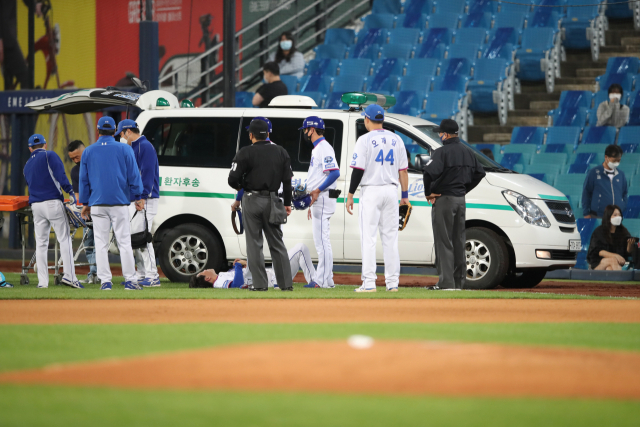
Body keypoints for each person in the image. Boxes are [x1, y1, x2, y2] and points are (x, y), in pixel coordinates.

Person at [346, 104, 410, 292]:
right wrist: (404, 196)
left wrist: (350, 195)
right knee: (390, 238)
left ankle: (369, 283)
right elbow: (403, 170)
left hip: (371, 191)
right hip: (391, 191)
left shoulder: (364, 140)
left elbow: (358, 170)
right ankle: (392, 284)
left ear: (367, 119)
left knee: (369, 238)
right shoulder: (397, 139)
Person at [79, 117, 144, 291]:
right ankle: (130, 281)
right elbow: (134, 175)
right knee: (124, 242)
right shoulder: (124, 148)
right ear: (115, 130)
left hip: (98, 203)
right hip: (119, 203)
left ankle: (105, 282)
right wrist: (138, 197)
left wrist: (85, 203)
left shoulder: (88, 151)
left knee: (100, 243)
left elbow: (83, 180)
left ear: (98, 130)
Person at [228, 119, 294, 291]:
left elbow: (232, 179)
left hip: (251, 199)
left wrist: (243, 187)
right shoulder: (281, 151)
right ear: (268, 134)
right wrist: (287, 203)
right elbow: (287, 181)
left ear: (251, 135)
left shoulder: (245, 152)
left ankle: (259, 285)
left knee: (254, 245)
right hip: (273, 200)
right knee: (277, 244)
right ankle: (286, 285)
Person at [422, 119, 486, 290]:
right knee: (459, 240)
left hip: (444, 199)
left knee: (444, 241)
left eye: (440, 133)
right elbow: (480, 173)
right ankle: (458, 282)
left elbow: (427, 173)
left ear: (446, 134)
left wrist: (428, 192)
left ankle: (446, 283)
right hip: (460, 200)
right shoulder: (468, 152)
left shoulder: (441, 152)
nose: (439, 136)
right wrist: (464, 190)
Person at [23, 134, 82, 289]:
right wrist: (70, 191)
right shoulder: (50, 155)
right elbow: (60, 176)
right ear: (45, 144)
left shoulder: (27, 165)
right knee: (64, 239)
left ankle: (43, 283)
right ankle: (70, 277)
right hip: (52, 203)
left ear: (30, 148)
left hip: (36, 206)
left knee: (41, 244)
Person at [117, 119, 161, 287]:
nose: (121, 137)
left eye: (121, 133)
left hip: (145, 199)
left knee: (144, 237)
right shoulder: (133, 147)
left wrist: (142, 196)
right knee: (135, 238)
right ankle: (142, 274)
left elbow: (147, 173)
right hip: (136, 198)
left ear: (128, 131)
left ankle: (153, 276)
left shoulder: (145, 146)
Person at [300, 116, 340, 288]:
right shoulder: (319, 148)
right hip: (320, 198)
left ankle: (322, 281)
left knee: (322, 241)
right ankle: (328, 279)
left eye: (305, 129)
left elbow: (334, 173)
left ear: (312, 130)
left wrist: (316, 191)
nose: (304, 133)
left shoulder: (323, 147)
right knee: (322, 240)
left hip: (323, 197)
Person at [191, 243, 316, 288]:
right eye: (202, 272)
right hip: (273, 280)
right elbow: (237, 285)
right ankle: (315, 281)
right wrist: (239, 266)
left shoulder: (221, 276)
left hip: (271, 272)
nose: (205, 269)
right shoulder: (218, 283)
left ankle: (314, 281)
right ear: (207, 278)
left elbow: (243, 273)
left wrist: (241, 264)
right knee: (300, 249)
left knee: (300, 248)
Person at [67, 140, 98, 284]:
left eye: (77, 157)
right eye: (72, 158)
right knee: (89, 242)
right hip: (88, 211)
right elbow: (78, 196)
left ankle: (140, 274)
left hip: (103, 207)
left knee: (117, 242)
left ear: (84, 150)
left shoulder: (98, 161)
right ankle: (94, 274)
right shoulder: (75, 171)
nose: (75, 160)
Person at [582, 144, 627, 219]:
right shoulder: (594, 173)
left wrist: (622, 206)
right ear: (606, 157)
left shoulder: (621, 174)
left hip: (616, 217)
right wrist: (586, 213)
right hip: (598, 215)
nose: (616, 163)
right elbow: (586, 192)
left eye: (618, 160)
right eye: (614, 160)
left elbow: (624, 193)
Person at [587, 205, 635, 270]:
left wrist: (630, 245)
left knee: (609, 269)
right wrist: (615, 256)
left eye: (619, 215)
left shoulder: (623, 232)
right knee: (612, 260)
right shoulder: (599, 231)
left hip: (617, 262)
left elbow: (627, 252)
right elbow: (598, 251)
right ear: (608, 217)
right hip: (598, 263)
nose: (618, 217)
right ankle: (621, 278)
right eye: (615, 215)